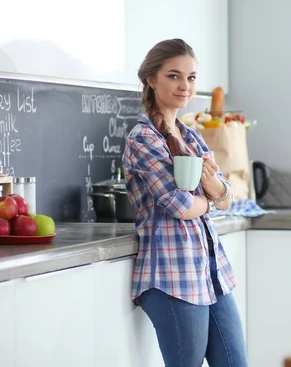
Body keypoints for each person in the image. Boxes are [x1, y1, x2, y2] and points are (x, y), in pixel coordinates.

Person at [122, 38, 248, 367]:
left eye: (191, 78)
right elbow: (179, 206)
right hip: (172, 276)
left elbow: (227, 196)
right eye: (174, 76)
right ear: (152, 79)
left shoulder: (190, 135)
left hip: (210, 272)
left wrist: (210, 189)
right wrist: (208, 196)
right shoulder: (143, 137)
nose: (185, 86)